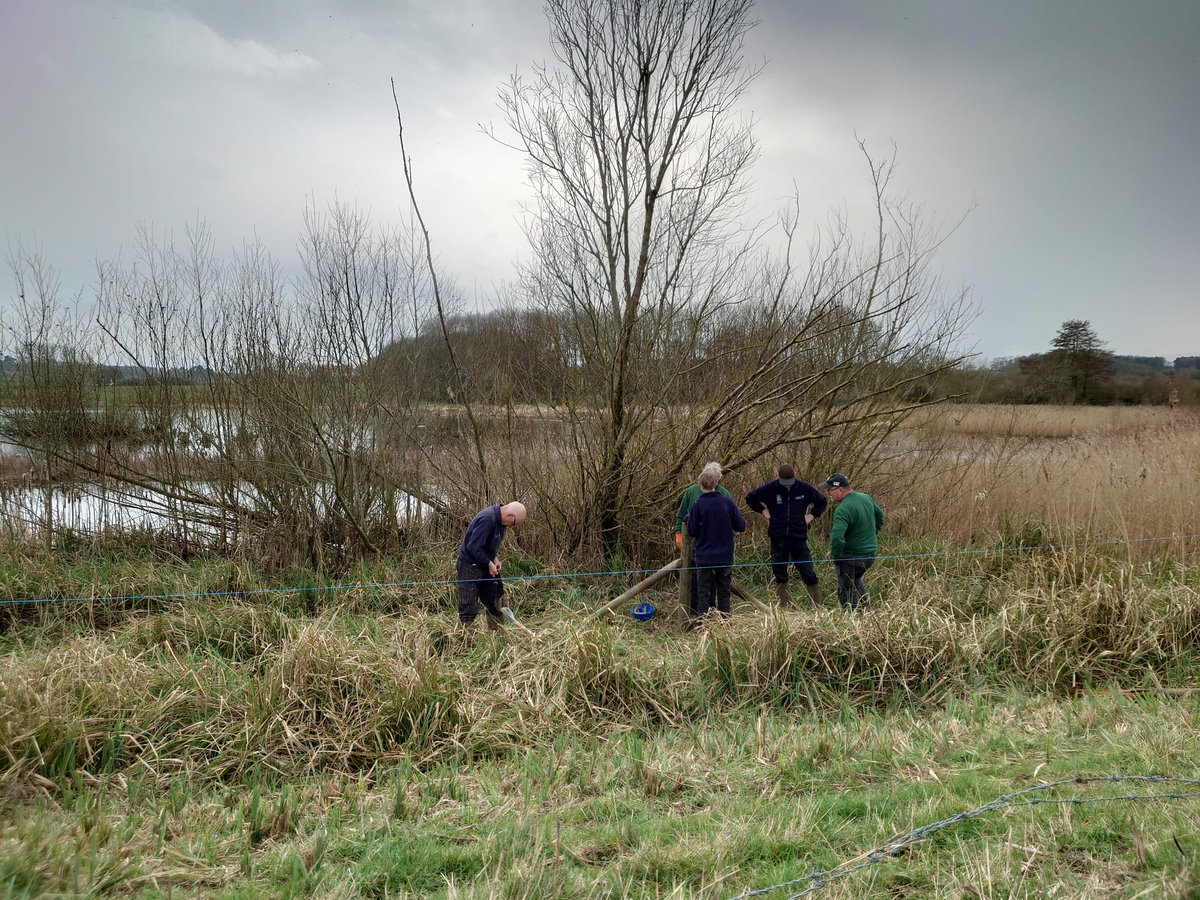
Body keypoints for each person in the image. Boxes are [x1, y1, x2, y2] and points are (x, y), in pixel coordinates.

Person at [745, 464, 828, 607]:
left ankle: (817, 607)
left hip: (799, 537)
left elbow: (822, 501)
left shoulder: (804, 488)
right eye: (785, 484)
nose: (788, 486)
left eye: (790, 483)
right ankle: (786, 607)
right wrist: (763, 511)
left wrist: (811, 515)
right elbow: (750, 498)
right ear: (779, 479)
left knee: (808, 572)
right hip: (778, 537)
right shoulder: (770, 489)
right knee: (780, 573)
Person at [685, 466, 746, 617]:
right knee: (724, 591)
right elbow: (741, 526)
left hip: (704, 556)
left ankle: (703, 625)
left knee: (703, 592)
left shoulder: (698, 505)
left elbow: (692, 531)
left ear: (701, 485)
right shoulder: (727, 502)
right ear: (716, 484)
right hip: (724, 556)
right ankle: (725, 623)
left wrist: (688, 519)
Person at [456, 501, 527, 630]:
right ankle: (466, 641)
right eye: (514, 523)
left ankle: (497, 636)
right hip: (469, 565)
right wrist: (489, 563)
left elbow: (487, 545)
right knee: (469, 606)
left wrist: (495, 559)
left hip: (485, 562)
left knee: (495, 598)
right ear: (510, 515)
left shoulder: (502, 522)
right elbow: (474, 547)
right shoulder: (487, 519)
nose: (511, 526)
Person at [674, 462, 732, 617]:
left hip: (718, 547)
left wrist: (728, 537)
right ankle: (696, 613)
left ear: (718, 479)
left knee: (718, 584)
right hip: (696, 547)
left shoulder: (725, 495)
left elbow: (733, 522)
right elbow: (680, 516)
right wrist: (679, 535)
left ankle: (713, 616)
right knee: (696, 581)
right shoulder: (691, 492)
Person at [820, 473, 884, 611]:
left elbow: (837, 537)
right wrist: (872, 534)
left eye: (830, 490)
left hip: (851, 557)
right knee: (855, 579)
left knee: (845, 590)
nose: (827, 493)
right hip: (870, 555)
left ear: (840, 490)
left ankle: (851, 619)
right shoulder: (866, 498)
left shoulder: (842, 509)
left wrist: (836, 556)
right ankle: (867, 610)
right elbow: (880, 516)